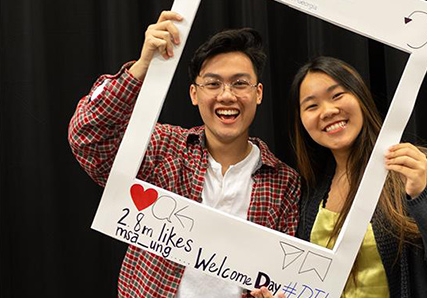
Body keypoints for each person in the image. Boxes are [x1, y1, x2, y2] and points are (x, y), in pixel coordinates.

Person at [68, 11, 300, 297]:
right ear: (193, 94)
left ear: (258, 93)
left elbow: (282, 276)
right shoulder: (162, 147)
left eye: (240, 83)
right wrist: (141, 67)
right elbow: (88, 138)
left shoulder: (284, 182)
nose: (227, 95)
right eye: (213, 84)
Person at [251, 57, 427, 298]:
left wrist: (421, 193)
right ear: (301, 121)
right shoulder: (310, 191)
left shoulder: (413, 169)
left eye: (337, 95)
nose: (328, 111)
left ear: (361, 98)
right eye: (311, 106)